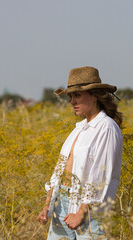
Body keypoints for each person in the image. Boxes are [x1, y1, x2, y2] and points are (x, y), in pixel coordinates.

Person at [37, 66, 123, 239]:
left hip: (89, 210)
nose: (72, 102)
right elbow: (60, 168)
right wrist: (48, 204)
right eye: (70, 96)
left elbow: (100, 175)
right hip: (62, 204)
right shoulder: (79, 129)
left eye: (77, 95)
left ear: (95, 95)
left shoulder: (106, 128)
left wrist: (81, 212)